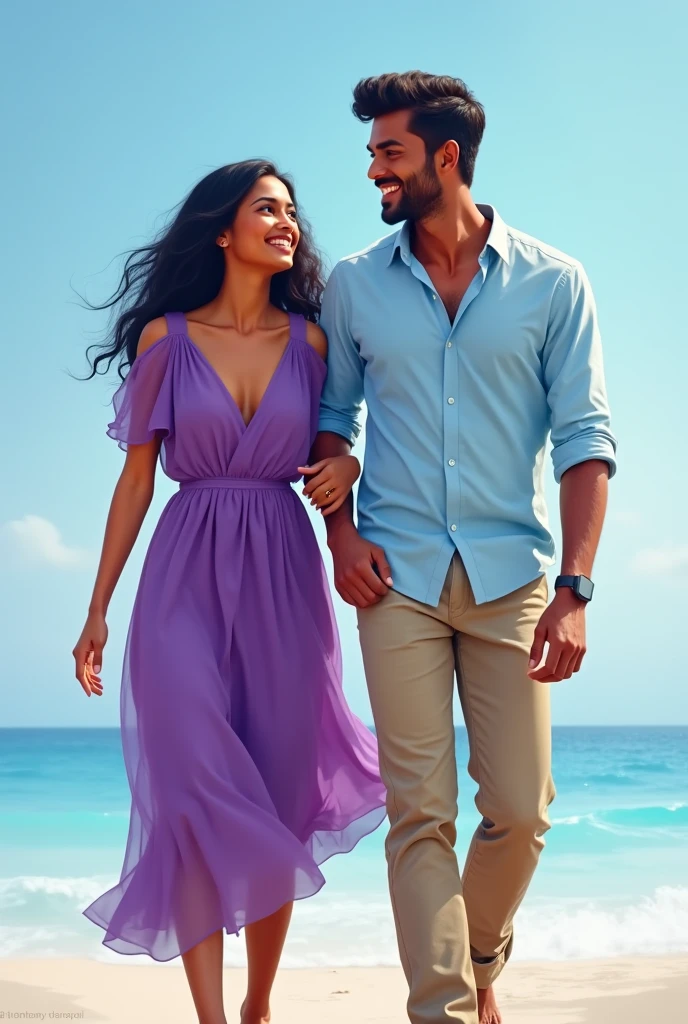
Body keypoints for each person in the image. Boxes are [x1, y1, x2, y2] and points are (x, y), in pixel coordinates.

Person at [308, 72, 617, 1024]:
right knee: (421, 813)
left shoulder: (553, 282)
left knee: (522, 813)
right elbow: (331, 423)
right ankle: (442, 1009)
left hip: (512, 577)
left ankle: (480, 952)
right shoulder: (356, 285)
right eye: (371, 154)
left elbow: (587, 440)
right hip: (391, 577)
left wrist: (574, 589)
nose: (373, 171)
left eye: (388, 152)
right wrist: (341, 532)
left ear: (447, 157)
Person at [72, 160, 386, 1024]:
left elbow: (338, 445)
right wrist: (98, 607)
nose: (288, 223)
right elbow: (136, 480)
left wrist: (345, 475)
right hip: (184, 572)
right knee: (193, 784)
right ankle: (212, 1019)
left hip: (285, 571)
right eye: (267, 209)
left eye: (291, 211)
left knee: (280, 789)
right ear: (223, 230)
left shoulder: (312, 342)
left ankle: (257, 1007)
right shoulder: (165, 341)